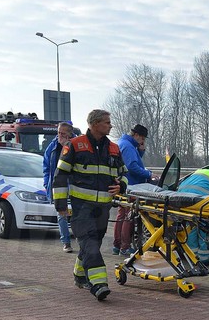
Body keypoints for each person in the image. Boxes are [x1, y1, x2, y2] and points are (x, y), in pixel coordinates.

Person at [53, 109, 128, 301]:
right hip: (81, 208)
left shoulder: (114, 148)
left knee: (92, 244)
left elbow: (124, 174)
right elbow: (60, 176)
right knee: (91, 245)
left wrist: (121, 186)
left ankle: (79, 276)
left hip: (103, 208)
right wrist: (60, 205)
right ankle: (99, 284)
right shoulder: (75, 146)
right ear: (94, 124)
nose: (110, 125)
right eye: (107, 122)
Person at [112, 124, 155, 256]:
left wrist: (141, 151)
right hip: (132, 186)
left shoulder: (123, 143)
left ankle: (117, 245)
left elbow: (132, 161)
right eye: (142, 138)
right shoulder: (129, 146)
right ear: (136, 135)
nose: (143, 141)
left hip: (124, 185)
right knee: (128, 217)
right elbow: (132, 167)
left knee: (121, 215)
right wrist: (149, 174)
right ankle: (124, 247)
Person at [176, 168, 209, 262]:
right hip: (199, 198)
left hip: (181, 194)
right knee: (202, 226)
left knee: (190, 226)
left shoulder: (201, 171)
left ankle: (192, 257)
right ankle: (203, 259)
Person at [43, 122, 75, 253]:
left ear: (70, 134)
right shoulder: (52, 147)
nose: (59, 136)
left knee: (77, 214)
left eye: (63, 133)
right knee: (61, 214)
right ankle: (66, 242)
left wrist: (66, 147)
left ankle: (80, 238)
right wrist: (47, 183)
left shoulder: (76, 145)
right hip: (58, 186)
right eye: (58, 133)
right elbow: (46, 167)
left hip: (74, 186)